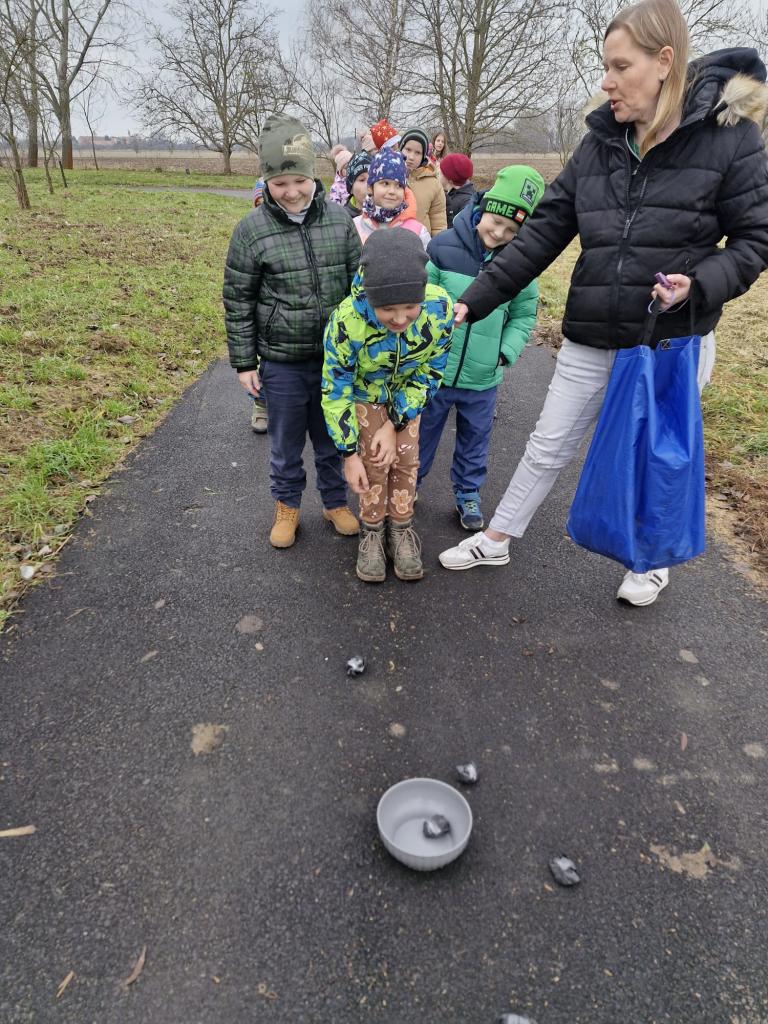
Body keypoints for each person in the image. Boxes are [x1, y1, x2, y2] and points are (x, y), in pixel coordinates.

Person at [439, 0, 768, 608]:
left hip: (671, 340)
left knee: (653, 456)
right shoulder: (600, 143)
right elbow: (541, 234)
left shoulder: (730, 139)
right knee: (548, 442)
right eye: (605, 66)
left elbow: (755, 240)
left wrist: (698, 284)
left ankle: (650, 561)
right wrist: (473, 301)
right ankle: (498, 537)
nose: (607, 81)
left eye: (620, 67)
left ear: (664, 62)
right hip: (593, 329)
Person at [223, 114, 362, 549]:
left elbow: (359, 290)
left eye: (299, 180)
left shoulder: (339, 221)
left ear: (313, 176)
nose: (291, 191)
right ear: (266, 180)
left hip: (335, 362)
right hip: (282, 361)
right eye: (279, 183)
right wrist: (244, 362)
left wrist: (363, 349)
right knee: (284, 443)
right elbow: (238, 299)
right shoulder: (251, 230)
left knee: (333, 437)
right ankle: (287, 506)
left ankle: (335, 502)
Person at [322, 230, 454, 582]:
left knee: (407, 460)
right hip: (364, 395)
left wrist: (394, 423)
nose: (399, 319)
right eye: (387, 309)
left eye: (410, 307)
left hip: (408, 394)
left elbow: (431, 371)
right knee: (374, 463)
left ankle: (400, 528)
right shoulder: (345, 321)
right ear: (369, 296)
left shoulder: (439, 309)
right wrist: (348, 455)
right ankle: (372, 531)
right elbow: (336, 390)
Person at [419, 166, 544, 529]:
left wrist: (505, 352)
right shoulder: (442, 248)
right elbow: (422, 301)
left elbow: (523, 315)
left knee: (475, 440)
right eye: (496, 222)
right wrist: (425, 347)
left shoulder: (520, 267)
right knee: (422, 433)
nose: (499, 234)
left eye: (512, 231)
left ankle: (468, 492)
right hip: (437, 372)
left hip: (483, 377)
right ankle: (411, 482)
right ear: (482, 208)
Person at [354, 149, 431, 249]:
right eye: (385, 183)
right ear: (370, 188)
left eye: (399, 186)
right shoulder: (355, 227)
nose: (392, 191)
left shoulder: (417, 231)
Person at [399, 127, 447, 236]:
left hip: (422, 242)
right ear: (401, 149)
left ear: (423, 156)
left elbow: (438, 224)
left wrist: (436, 245)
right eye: (408, 150)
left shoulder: (433, 184)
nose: (411, 157)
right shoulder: (387, 177)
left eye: (418, 153)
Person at [439, 153, 475, 228]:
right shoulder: (453, 193)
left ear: (450, 180)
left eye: (441, 173)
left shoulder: (466, 204)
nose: (438, 173)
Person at [343, 151, 371, 220]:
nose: (369, 184)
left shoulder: (387, 215)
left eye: (372, 178)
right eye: (362, 180)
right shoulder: (344, 219)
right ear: (351, 189)